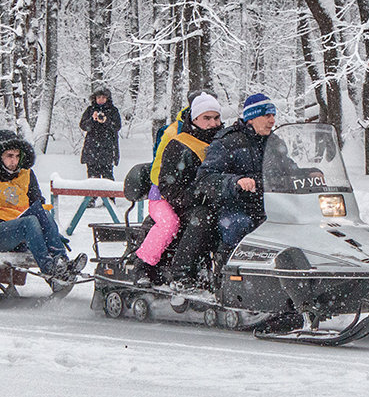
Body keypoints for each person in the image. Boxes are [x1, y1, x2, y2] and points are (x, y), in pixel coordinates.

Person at [0, 130, 85, 290]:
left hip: (27, 236)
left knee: (43, 213)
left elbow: (38, 205)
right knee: (29, 222)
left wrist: (52, 233)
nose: (14, 161)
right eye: (10, 156)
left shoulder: (27, 175)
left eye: (17, 156)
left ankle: (62, 262)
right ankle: (50, 271)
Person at [130, 93, 224, 280]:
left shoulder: (223, 141)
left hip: (203, 197)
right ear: (195, 117)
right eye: (207, 118)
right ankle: (153, 266)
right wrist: (196, 196)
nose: (213, 123)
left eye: (216, 118)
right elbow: (168, 183)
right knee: (173, 223)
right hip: (169, 199)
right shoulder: (179, 142)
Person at [195, 93, 279, 266]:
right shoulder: (228, 142)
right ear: (251, 118)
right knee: (239, 224)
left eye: (273, 115)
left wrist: (310, 173)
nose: (272, 120)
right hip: (234, 205)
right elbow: (205, 178)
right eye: (266, 115)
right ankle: (226, 274)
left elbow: (288, 168)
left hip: (269, 204)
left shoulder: (274, 142)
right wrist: (235, 182)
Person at [79, 87, 122, 179]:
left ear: (107, 98)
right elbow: (83, 125)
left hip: (107, 150)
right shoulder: (90, 110)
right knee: (92, 180)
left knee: (108, 179)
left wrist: (107, 121)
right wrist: (92, 119)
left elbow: (117, 126)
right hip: (92, 150)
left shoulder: (113, 110)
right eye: (98, 97)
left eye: (103, 97)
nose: (101, 100)